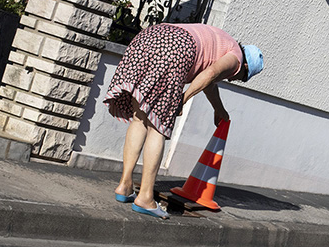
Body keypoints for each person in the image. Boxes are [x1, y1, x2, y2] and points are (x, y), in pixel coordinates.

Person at [104, 22, 264, 219]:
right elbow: (211, 74)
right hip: (175, 48)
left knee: (140, 118)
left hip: (150, 37)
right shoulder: (236, 58)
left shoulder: (222, 40)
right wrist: (184, 98)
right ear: (245, 65)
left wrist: (219, 109)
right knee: (157, 127)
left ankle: (125, 185)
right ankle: (145, 197)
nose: (233, 79)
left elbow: (209, 81)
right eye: (242, 77)